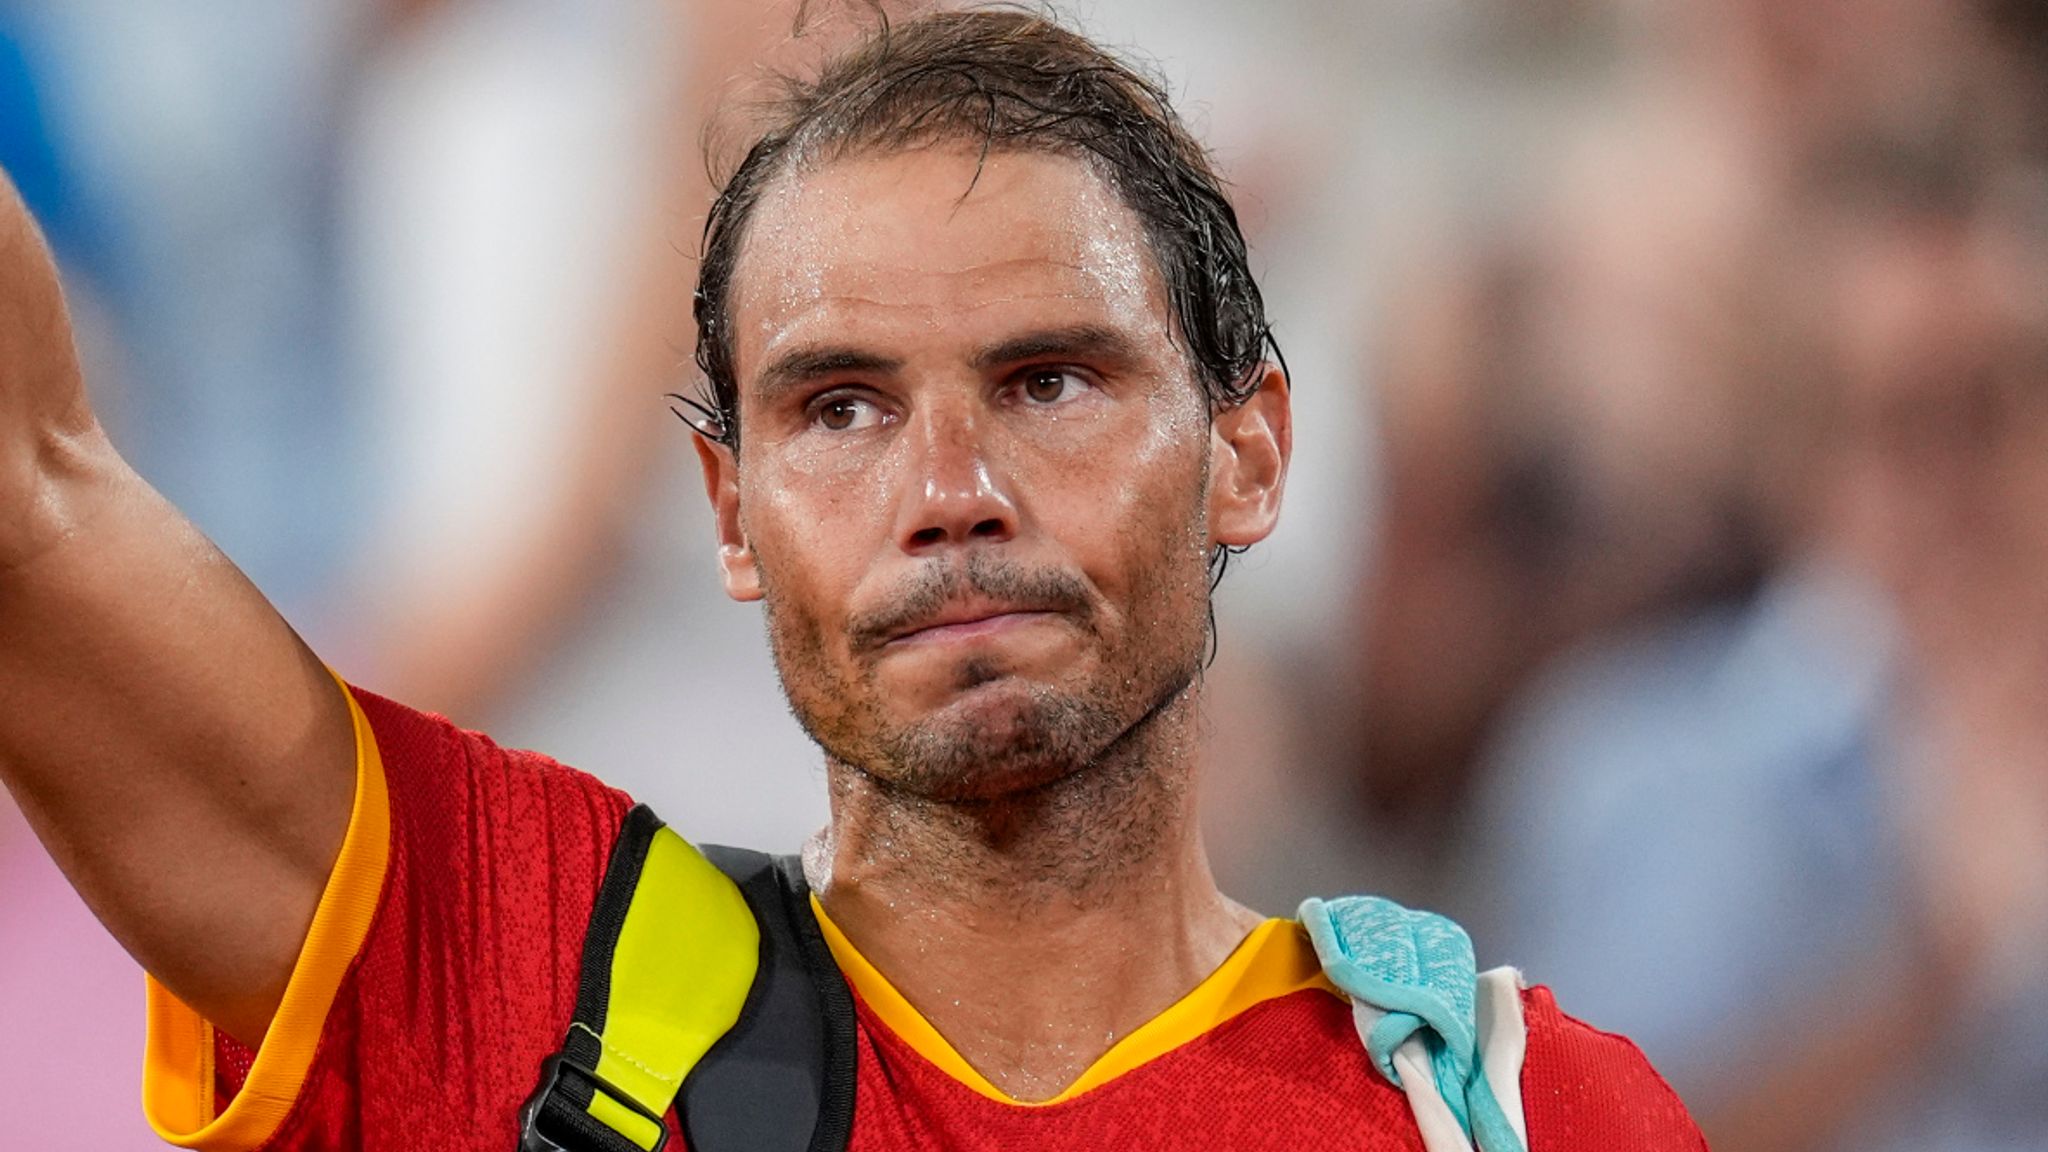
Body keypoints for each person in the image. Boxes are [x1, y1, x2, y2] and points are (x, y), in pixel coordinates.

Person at [0, 10, 1704, 1150]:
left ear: (1248, 450)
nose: (950, 494)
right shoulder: (514, 972)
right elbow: (34, 503)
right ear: (729, 509)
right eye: (842, 409)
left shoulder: (1514, 1108)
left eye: (1050, 380)